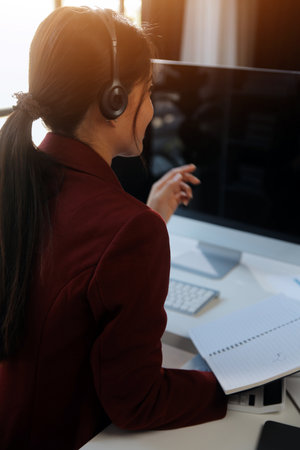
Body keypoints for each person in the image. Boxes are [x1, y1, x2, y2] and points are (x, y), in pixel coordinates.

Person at [0, 6, 227, 450]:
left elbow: (68, 262)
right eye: (149, 92)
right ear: (115, 100)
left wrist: (147, 215)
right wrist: (228, 385)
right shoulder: (128, 230)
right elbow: (136, 401)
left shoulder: (17, 180)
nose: (152, 108)